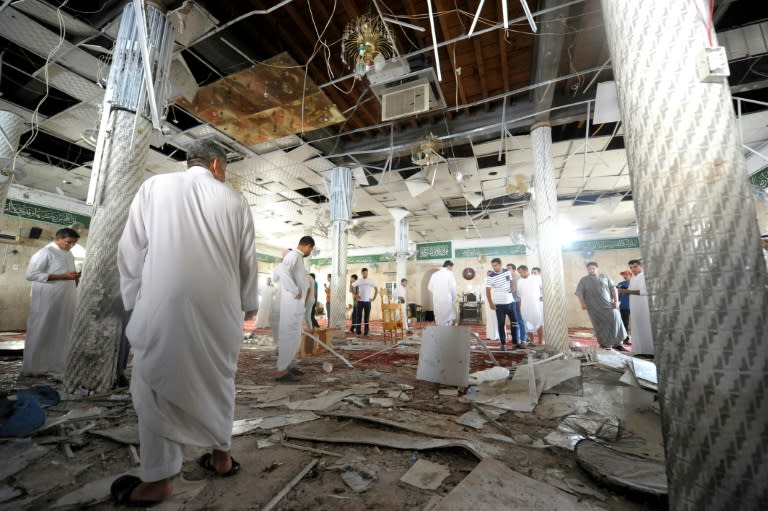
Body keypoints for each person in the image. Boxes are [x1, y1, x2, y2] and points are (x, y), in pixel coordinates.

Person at [113, 139, 259, 506]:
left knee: (157, 383)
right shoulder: (236, 200)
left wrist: (134, 299)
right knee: (219, 379)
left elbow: (130, 250)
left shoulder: (155, 186)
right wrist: (249, 305)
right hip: (220, 307)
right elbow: (247, 261)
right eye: (224, 169)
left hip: (165, 303)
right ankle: (222, 458)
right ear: (215, 164)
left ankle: (159, 480)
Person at [22, 227, 80, 377]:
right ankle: (33, 368)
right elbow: (31, 274)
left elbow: (67, 275)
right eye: (68, 242)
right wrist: (63, 277)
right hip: (47, 301)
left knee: (61, 332)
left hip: (64, 300)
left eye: (73, 243)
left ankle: (56, 366)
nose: (71, 246)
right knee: (42, 330)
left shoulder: (69, 254)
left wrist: (73, 277)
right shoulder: (46, 252)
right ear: (57, 238)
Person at [275, 236, 315, 380]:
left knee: (295, 337)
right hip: (292, 303)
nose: (311, 251)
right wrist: (294, 290)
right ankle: (281, 371)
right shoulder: (293, 255)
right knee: (289, 335)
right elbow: (282, 270)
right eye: (311, 249)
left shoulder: (297, 257)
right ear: (308, 246)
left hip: (296, 305)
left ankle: (289, 365)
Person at [575, 261, 627, 350]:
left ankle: (618, 344)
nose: (591, 270)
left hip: (609, 305)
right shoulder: (584, 280)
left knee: (616, 321)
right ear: (587, 270)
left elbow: (613, 289)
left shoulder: (605, 277)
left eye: (593, 268)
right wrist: (582, 304)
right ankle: (604, 344)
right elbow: (579, 293)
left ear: (597, 269)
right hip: (594, 307)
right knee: (600, 325)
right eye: (589, 269)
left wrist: (616, 301)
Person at [619, 259, 654, 356]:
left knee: (646, 328)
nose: (633, 269)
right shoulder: (634, 278)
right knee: (637, 329)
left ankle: (650, 352)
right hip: (635, 307)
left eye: (635, 266)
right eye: (631, 267)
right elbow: (631, 291)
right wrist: (623, 291)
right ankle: (640, 351)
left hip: (644, 307)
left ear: (641, 266)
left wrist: (626, 291)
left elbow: (644, 292)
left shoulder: (645, 276)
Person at [485, 258, 520, 350]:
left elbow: (511, 282)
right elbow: (488, 291)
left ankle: (515, 342)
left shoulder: (507, 272)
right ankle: (503, 343)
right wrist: (491, 303)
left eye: (495, 265)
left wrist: (513, 287)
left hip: (510, 302)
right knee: (501, 324)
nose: (494, 267)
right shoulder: (491, 276)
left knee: (515, 322)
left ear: (500, 265)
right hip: (499, 304)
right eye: (493, 265)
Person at [516, 265, 544, 344]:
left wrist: (542, 296)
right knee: (526, 323)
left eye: (521, 272)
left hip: (536, 305)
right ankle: (531, 340)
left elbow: (544, 288)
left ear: (526, 271)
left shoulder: (536, 278)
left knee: (539, 322)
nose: (520, 274)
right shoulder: (519, 281)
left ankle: (540, 341)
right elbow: (519, 295)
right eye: (519, 273)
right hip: (525, 305)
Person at [428, 260, 457, 326]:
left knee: (439, 320)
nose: (451, 269)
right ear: (448, 266)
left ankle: (440, 334)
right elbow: (453, 288)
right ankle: (447, 334)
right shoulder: (450, 273)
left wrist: (437, 293)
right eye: (451, 267)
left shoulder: (434, 274)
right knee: (447, 320)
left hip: (437, 300)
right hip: (447, 300)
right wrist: (453, 298)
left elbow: (429, 287)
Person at [352, 268, 377, 336]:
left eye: (366, 273)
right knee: (358, 317)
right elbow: (352, 287)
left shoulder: (370, 281)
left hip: (367, 302)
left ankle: (366, 332)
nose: (365, 274)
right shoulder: (359, 280)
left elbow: (376, 289)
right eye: (364, 273)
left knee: (367, 317)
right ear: (362, 273)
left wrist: (374, 298)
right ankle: (358, 332)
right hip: (360, 302)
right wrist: (356, 295)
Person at [507, 263, 526, 343]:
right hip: (511, 301)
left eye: (509, 269)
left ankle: (523, 338)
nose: (507, 270)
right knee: (514, 321)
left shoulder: (518, 278)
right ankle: (517, 338)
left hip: (518, 302)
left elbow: (515, 290)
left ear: (514, 270)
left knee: (520, 320)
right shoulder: (509, 278)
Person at [616, 270, 632, 345]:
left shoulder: (634, 283)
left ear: (630, 275)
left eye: (626, 274)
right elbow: (616, 294)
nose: (624, 276)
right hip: (624, 306)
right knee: (624, 323)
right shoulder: (620, 284)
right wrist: (617, 302)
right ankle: (625, 339)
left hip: (634, 306)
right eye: (623, 275)